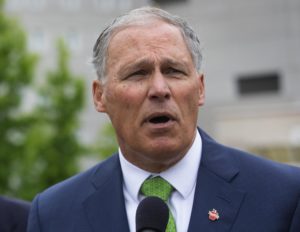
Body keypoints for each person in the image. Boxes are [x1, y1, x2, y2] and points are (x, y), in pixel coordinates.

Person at [27, 7, 300, 232]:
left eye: (174, 71)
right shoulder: (54, 215)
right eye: (137, 73)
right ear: (100, 97)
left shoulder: (284, 195)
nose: (159, 89)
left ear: (200, 88)